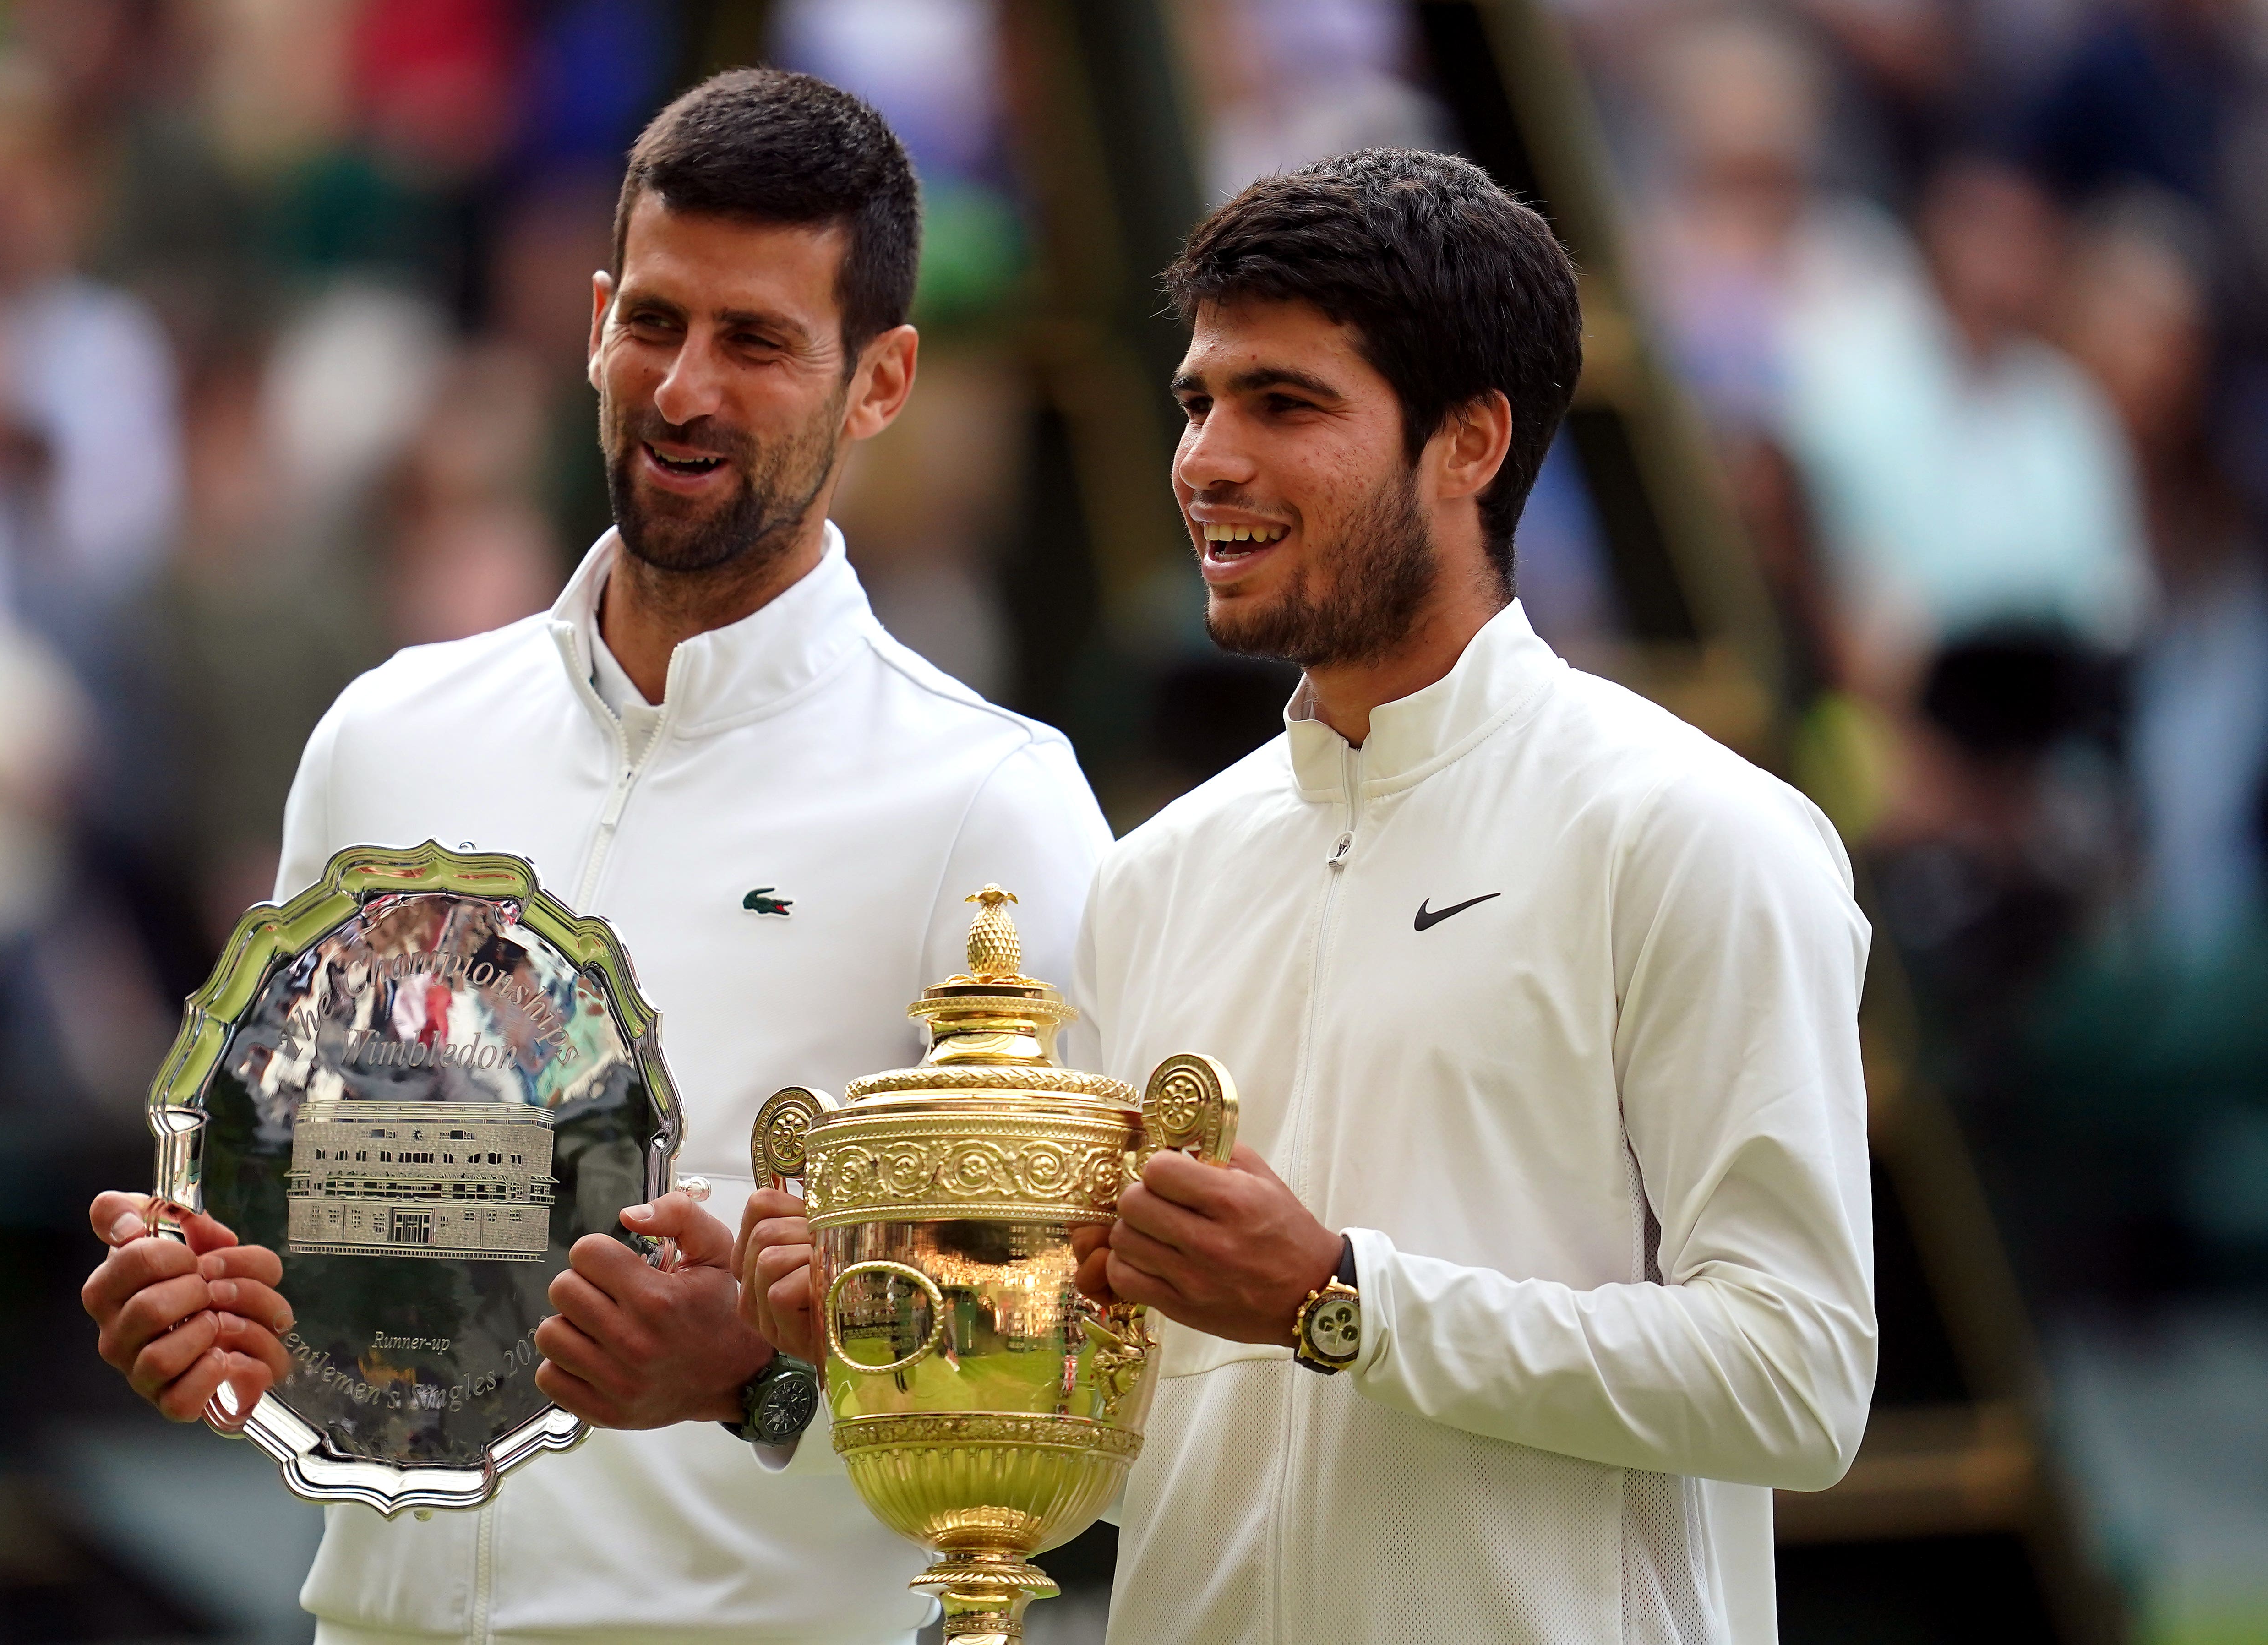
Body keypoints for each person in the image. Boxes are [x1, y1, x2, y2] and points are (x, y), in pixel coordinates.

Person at [743, 148, 1876, 1643]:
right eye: (1197, 402)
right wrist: (902, 1324)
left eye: (1284, 404)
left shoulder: (1694, 835)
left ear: (1468, 443)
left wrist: (1342, 1300)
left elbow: (1794, 1383)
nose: (1205, 459)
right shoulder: (1153, 881)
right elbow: (1160, 1464)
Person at [78, 70, 1111, 1645]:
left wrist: (753, 1382)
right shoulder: (387, 733)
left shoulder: (994, 801)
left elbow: (1080, 1398)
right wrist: (198, 1315)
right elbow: (299, 1228)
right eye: (656, 323)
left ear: (882, 380)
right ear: (592, 320)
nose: (685, 389)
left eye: (758, 343)